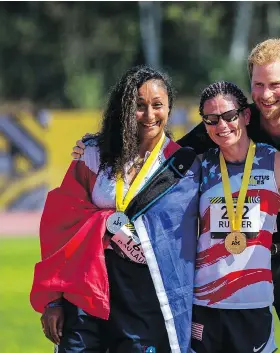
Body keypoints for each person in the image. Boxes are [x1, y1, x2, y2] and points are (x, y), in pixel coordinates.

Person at [71, 39, 280, 353]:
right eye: (258, 85)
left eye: (274, 85)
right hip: (230, 267)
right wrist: (102, 141)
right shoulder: (233, 117)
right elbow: (165, 150)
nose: (265, 95)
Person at [31, 66, 201, 353]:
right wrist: (54, 299)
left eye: (157, 106)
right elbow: (60, 224)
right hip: (88, 285)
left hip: (145, 293)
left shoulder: (183, 165)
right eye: (139, 106)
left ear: (169, 108)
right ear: (125, 108)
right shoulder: (95, 155)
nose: (149, 116)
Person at [192, 81, 280, 353]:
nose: (221, 126)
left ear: (246, 116)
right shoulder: (198, 166)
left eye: (229, 116)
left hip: (253, 303)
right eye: (211, 120)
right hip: (205, 303)